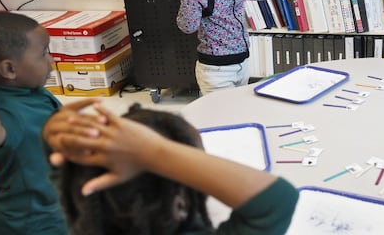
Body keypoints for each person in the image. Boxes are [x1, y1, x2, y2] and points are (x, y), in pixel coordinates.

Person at [43, 101, 299, 235]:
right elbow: (276, 201)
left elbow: (60, 165)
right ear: (180, 204)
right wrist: (152, 152)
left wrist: (51, 131)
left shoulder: (85, 212)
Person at [0, 11, 66, 234]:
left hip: (59, 206)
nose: (52, 60)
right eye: (42, 54)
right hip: (31, 222)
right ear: (9, 69)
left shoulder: (30, 91)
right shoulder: (3, 111)